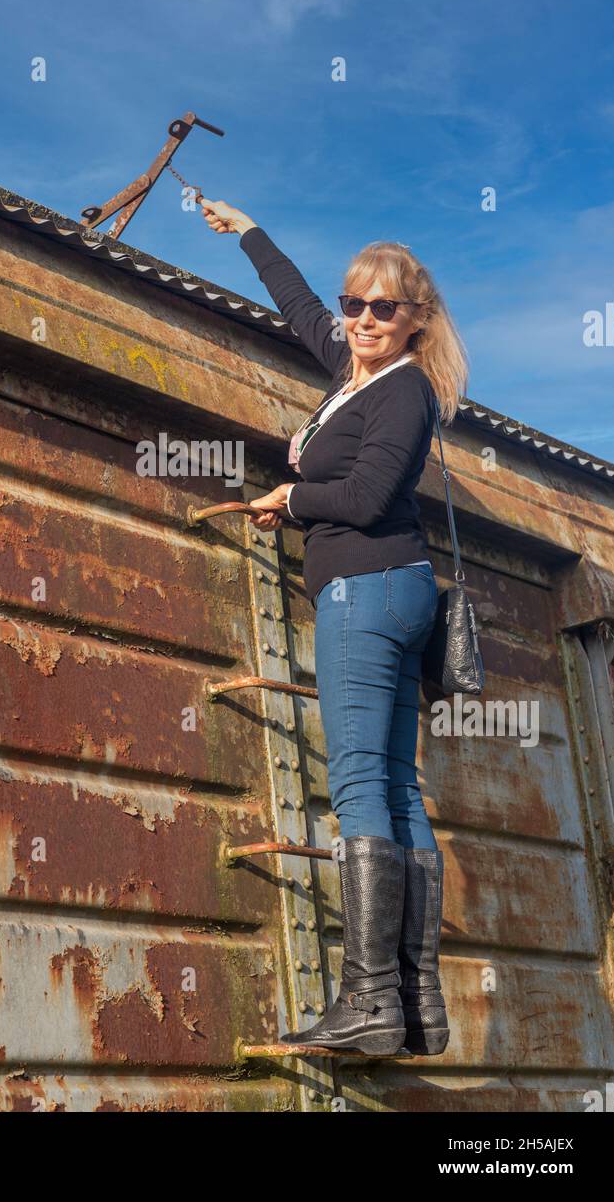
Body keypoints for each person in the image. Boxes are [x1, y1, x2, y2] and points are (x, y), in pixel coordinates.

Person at [201, 197, 468, 1057]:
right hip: (386, 588)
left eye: (381, 307)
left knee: (358, 786)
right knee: (394, 789)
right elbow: (301, 309)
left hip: (369, 592)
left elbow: (362, 499)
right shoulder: (355, 375)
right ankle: (416, 1009)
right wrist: (248, 233)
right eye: (354, 303)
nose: (359, 319)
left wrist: (289, 497)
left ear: (413, 320)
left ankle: (366, 1003)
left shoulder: (403, 395)